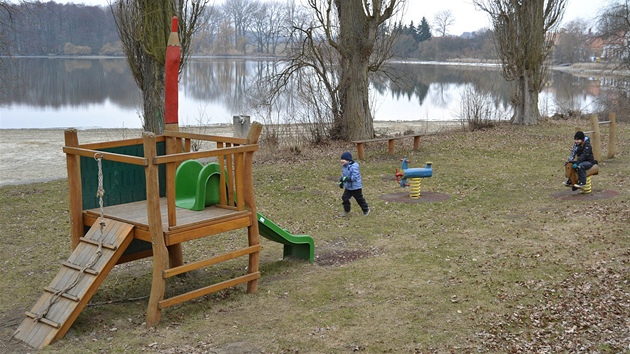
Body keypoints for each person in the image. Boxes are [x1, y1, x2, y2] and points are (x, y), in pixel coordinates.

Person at [338, 151, 370, 217]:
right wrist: (341, 182)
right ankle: (346, 210)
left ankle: (366, 210)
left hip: (356, 187)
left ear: (348, 160)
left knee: (359, 199)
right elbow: (343, 176)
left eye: (343, 159)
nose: (341, 161)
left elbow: (355, 178)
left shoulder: (354, 167)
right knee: (344, 198)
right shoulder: (344, 166)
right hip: (348, 187)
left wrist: (346, 179)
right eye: (341, 159)